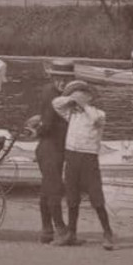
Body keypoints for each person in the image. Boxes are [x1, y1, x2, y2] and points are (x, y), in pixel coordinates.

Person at [51, 80, 116, 250]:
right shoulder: (71, 113)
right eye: (76, 93)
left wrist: (83, 103)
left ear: (90, 97)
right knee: (72, 197)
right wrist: (71, 99)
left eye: (82, 93)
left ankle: (108, 233)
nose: (78, 96)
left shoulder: (99, 113)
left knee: (96, 197)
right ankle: (71, 233)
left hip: (89, 158)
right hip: (72, 156)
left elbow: (94, 118)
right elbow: (56, 104)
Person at [29, 66, 70, 244]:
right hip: (50, 148)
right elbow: (47, 124)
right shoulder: (51, 94)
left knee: (47, 190)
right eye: (59, 78)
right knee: (54, 189)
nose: (62, 82)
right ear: (53, 78)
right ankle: (62, 231)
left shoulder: (59, 93)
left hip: (53, 147)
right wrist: (37, 130)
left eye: (66, 79)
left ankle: (47, 231)